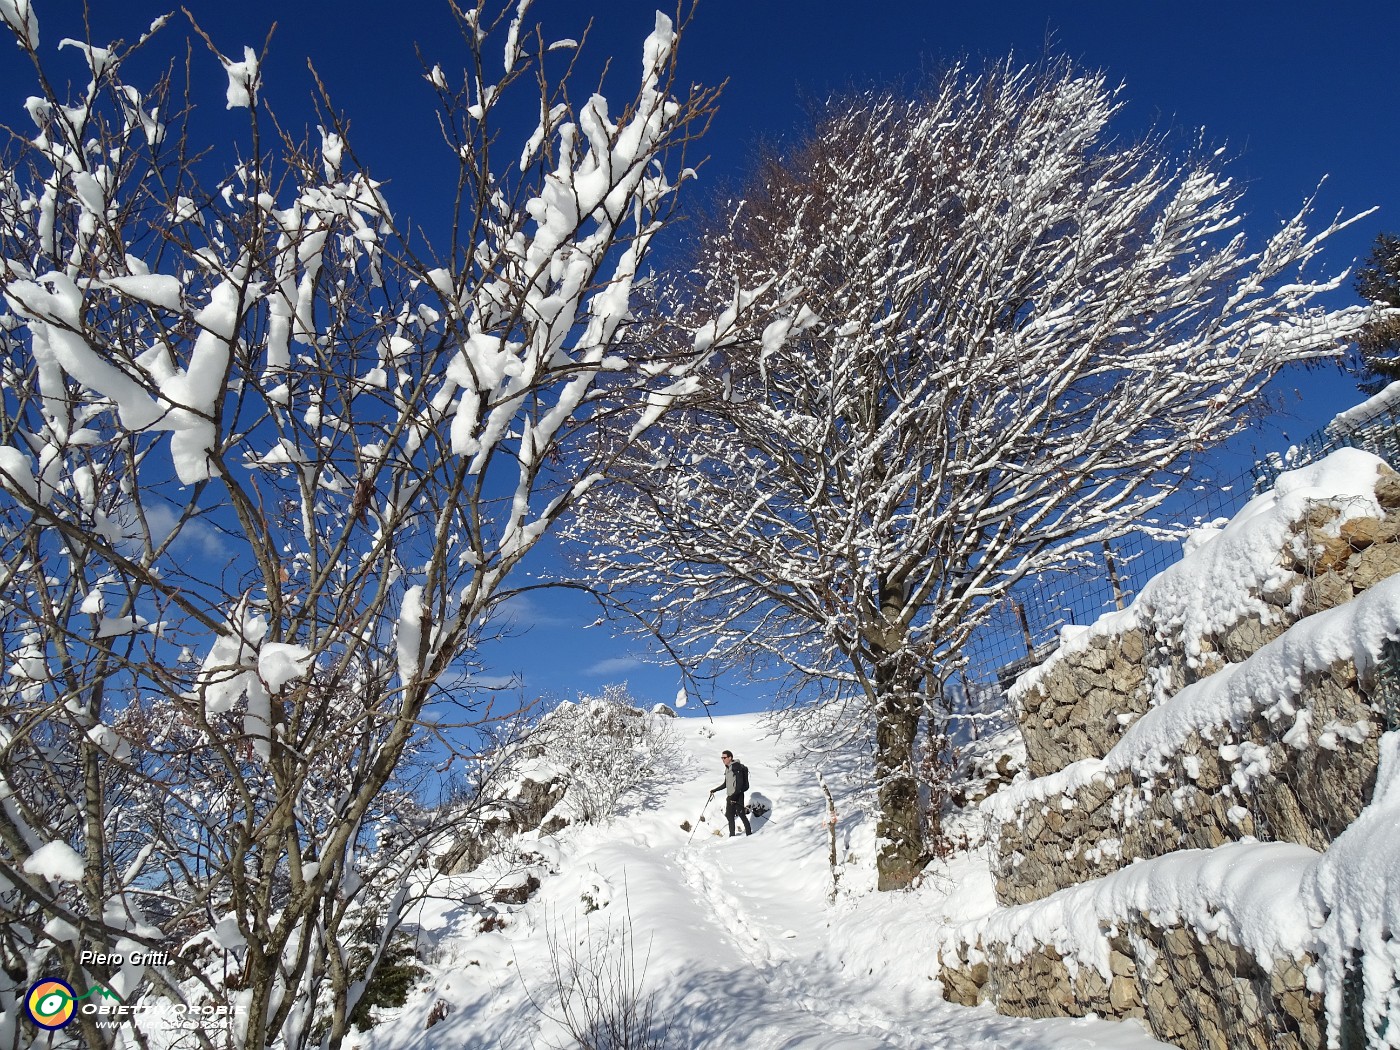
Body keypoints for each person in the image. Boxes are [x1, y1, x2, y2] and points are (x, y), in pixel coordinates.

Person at [709, 750, 751, 837]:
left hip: (738, 795)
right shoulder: (727, 768)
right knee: (729, 816)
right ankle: (732, 836)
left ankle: (749, 834)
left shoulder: (736, 767)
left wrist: (734, 797)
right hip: (730, 796)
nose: (723, 759)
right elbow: (725, 784)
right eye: (722, 758)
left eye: (724, 757)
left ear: (730, 758)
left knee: (741, 814)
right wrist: (715, 790)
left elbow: (739, 784)